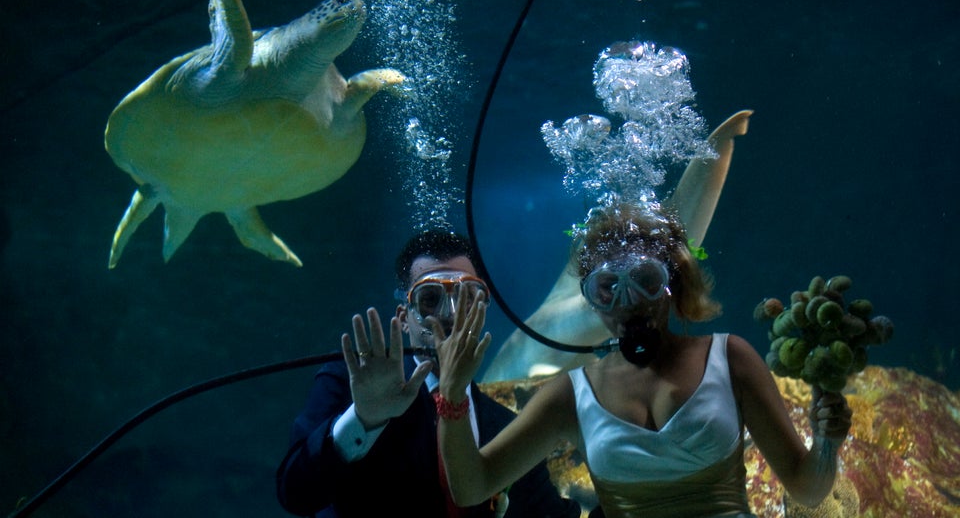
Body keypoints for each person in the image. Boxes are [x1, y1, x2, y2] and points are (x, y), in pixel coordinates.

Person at [434, 203, 853, 518]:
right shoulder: (571, 395)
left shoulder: (730, 359)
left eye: (645, 280)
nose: (627, 302)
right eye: (607, 288)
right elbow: (473, 488)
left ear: (673, 282)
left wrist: (827, 443)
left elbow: (808, 489)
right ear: (590, 300)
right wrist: (452, 395)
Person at [276, 231, 581, 518]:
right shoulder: (352, 385)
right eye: (430, 299)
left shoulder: (505, 427)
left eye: (467, 298)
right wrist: (364, 419)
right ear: (404, 318)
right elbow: (295, 494)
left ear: (483, 311)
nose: (450, 315)